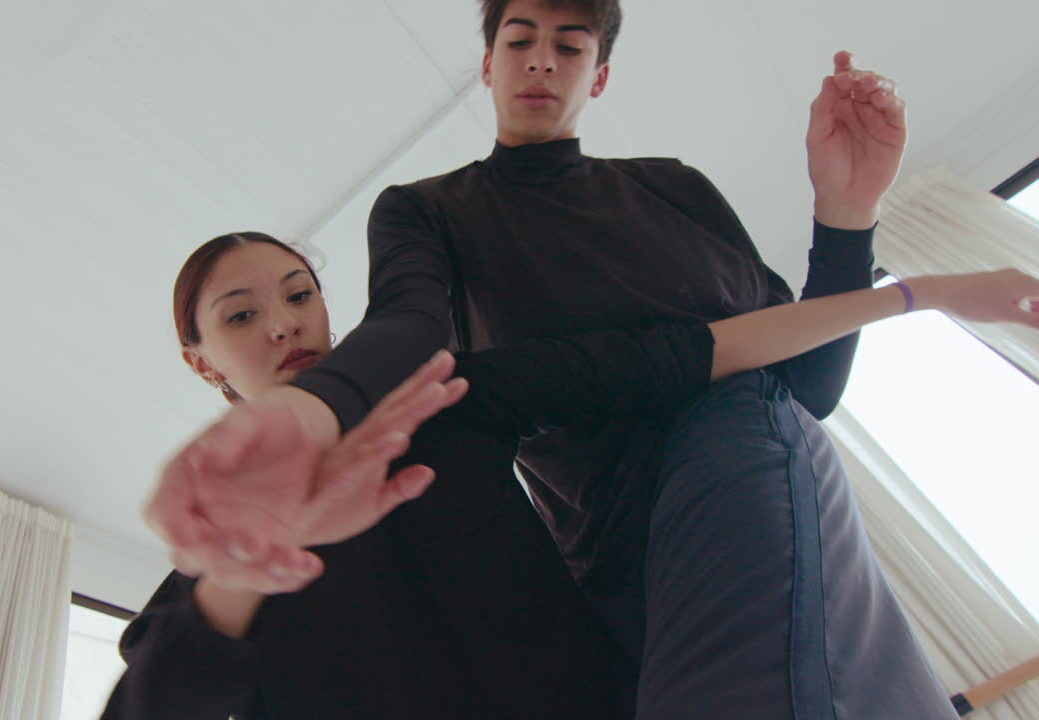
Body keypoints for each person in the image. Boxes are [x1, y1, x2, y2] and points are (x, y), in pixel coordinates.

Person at [146, 2, 1039, 717]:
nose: (542, 59)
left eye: (570, 45)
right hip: (609, 557)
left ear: (599, 74)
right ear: (487, 63)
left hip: (737, 459)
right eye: (519, 38)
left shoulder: (673, 188)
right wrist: (309, 413)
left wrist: (847, 221)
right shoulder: (430, 212)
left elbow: (802, 390)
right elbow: (411, 324)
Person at [111, 233, 1039, 719]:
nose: (283, 326)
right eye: (240, 316)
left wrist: (924, 295)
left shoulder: (457, 400)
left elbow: (694, 353)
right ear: (205, 364)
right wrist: (246, 567)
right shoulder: (207, 585)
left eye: (298, 294)